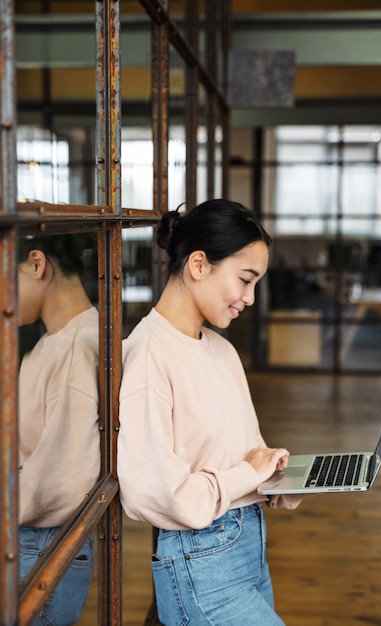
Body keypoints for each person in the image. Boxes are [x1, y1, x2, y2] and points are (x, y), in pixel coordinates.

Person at [117, 199, 303, 626]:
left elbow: (242, 457)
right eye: (245, 279)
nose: (250, 298)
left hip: (248, 550)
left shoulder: (221, 350)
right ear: (199, 264)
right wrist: (246, 475)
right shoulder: (149, 356)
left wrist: (276, 477)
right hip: (200, 564)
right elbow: (158, 495)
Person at [18, 234, 100, 626]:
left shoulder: (74, 352)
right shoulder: (62, 341)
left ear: (37, 264)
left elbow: (61, 484)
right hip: (38, 537)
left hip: (42, 541)